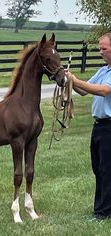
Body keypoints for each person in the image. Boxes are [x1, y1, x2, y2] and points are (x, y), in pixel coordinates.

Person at [65, 32, 111, 220]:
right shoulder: (103, 71)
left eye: (104, 48)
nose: (100, 52)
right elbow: (84, 90)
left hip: (109, 128)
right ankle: (100, 208)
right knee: (98, 169)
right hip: (99, 127)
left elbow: (104, 90)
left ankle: (104, 212)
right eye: (99, 48)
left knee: (108, 170)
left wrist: (75, 81)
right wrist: (70, 80)